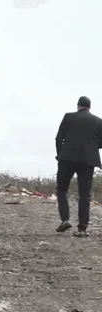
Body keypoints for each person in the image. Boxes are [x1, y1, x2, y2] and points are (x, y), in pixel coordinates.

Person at [54, 96, 102, 237]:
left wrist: (59, 155)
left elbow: (58, 138)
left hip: (67, 158)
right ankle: (82, 229)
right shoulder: (98, 121)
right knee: (84, 195)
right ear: (89, 107)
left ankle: (65, 220)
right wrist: (92, 146)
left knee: (62, 189)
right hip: (88, 161)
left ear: (78, 106)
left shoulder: (68, 117)